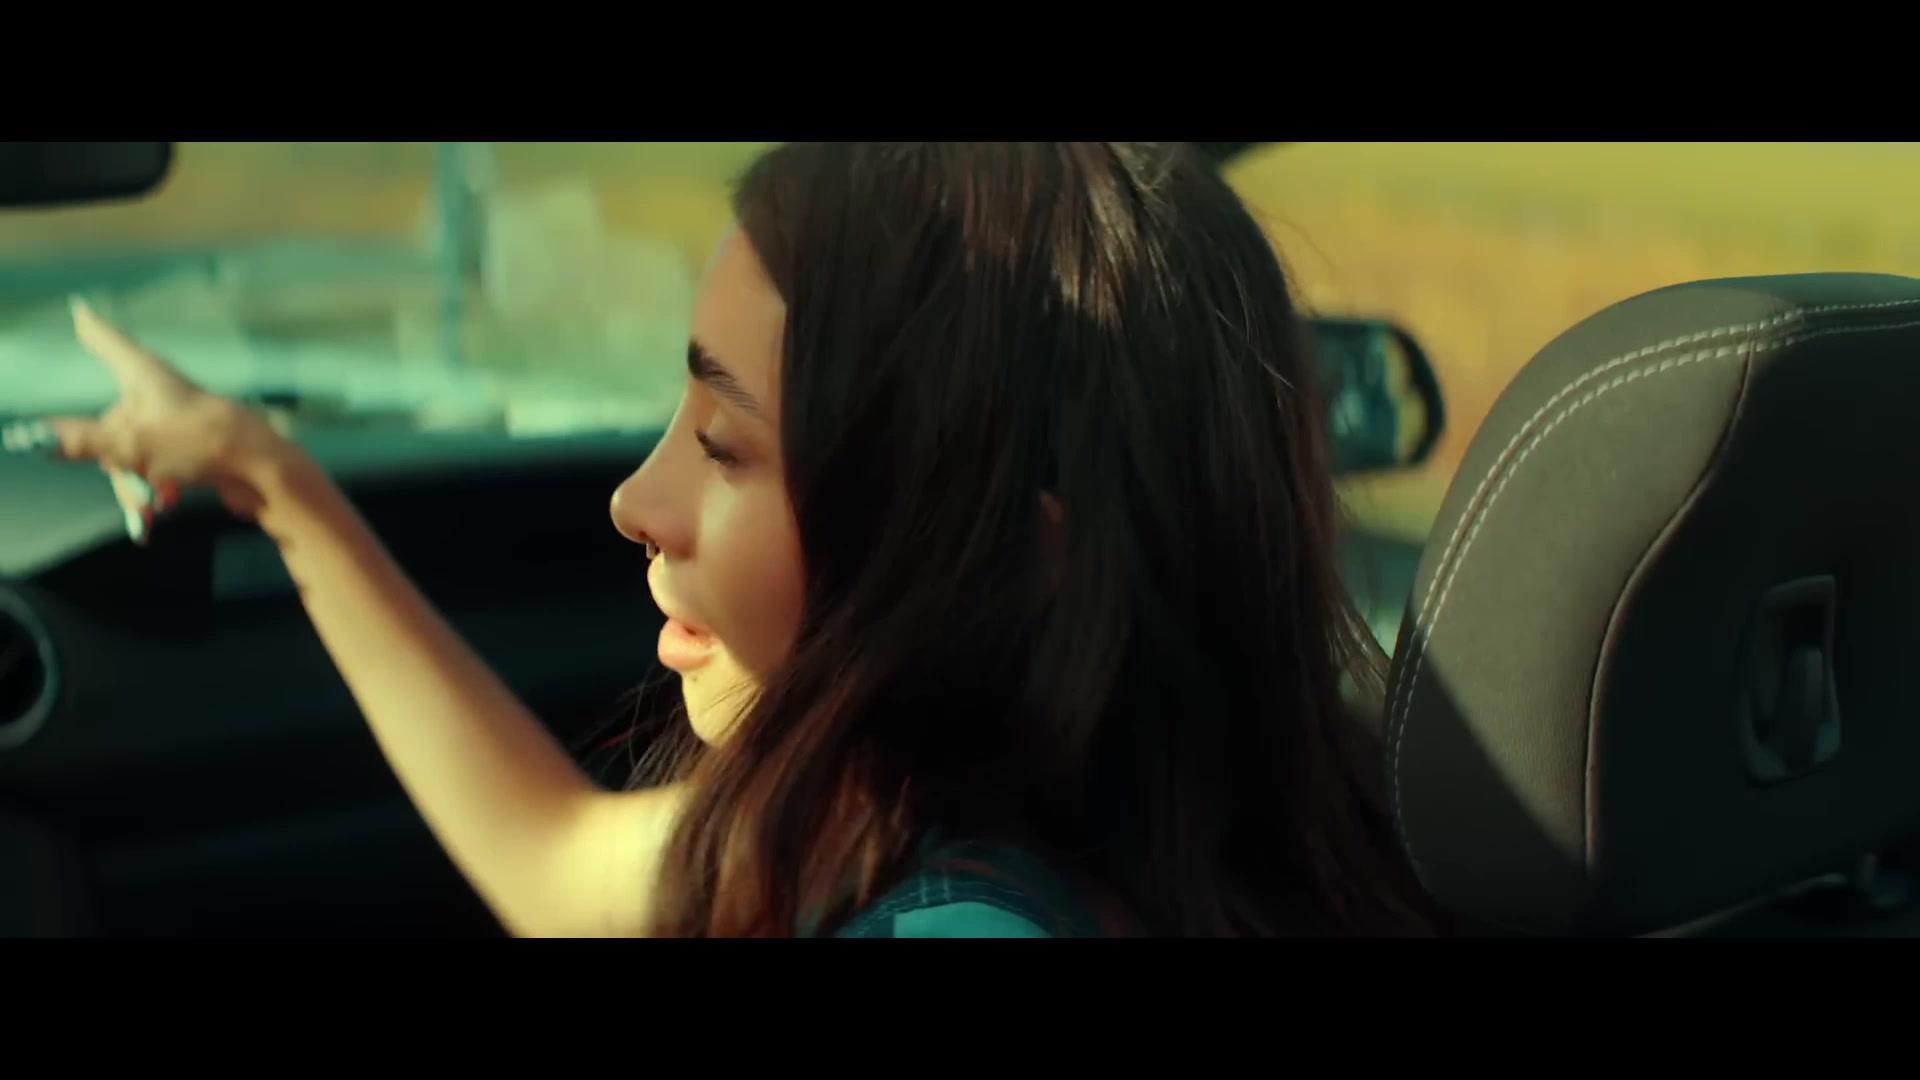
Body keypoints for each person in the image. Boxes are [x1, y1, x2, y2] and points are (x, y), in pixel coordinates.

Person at [29, 142, 1441, 937]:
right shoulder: (907, 820)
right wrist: (270, 478)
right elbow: (551, 855)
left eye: (724, 445)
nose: (633, 504)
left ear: (1011, 554)